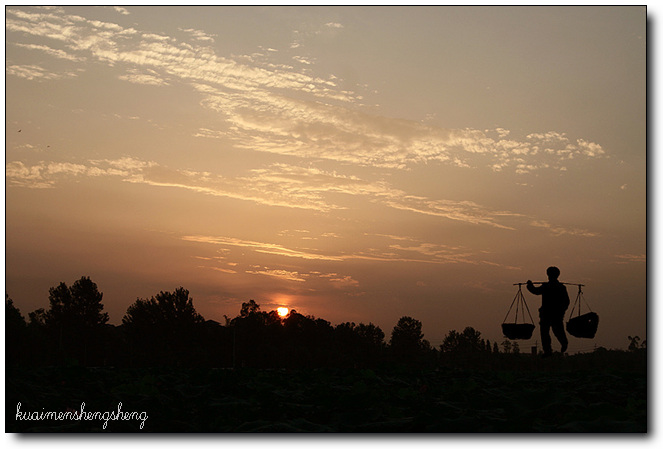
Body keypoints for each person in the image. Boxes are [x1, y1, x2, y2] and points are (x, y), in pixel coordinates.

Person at [527, 266, 570, 357]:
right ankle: (559, 344)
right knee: (556, 330)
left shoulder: (546, 286)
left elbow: (535, 291)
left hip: (548, 314)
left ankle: (549, 350)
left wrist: (529, 285)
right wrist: (562, 311)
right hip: (555, 314)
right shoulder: (561, 287)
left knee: (546, 332)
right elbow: (567, 302)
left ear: (548, 275)